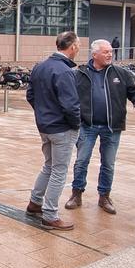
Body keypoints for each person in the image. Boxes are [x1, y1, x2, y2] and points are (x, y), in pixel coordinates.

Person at [65, 39, 135, 215]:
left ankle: (104, 196)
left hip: (112, 128)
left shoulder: (121, 73)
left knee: (108, 164)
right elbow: (68, 96)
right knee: (81, 162)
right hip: (87, 126)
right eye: (105, 52)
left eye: (110, 51)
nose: (110, 54)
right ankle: (76, 194)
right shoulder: (79, 73)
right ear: (94, 54)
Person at [25, 31, 82, 231]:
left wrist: (43, 112)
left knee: (49, 166)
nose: (79, 49)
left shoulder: (40, 67)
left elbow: (30, 95)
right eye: (78, 46)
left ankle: (35, 203)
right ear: (72, 47)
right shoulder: (65, 71)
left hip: (45, 126)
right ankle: (50, 214)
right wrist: (76, 124)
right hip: (61, 128)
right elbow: (71, 105)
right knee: (58, 170)